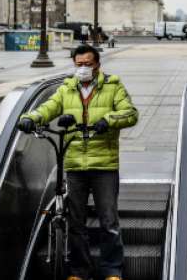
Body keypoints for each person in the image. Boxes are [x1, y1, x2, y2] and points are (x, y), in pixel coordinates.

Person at [17, 43, 138, 280]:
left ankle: (112, 270)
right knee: (76, 223)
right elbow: (47, 108)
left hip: (104, 164)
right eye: (79, 64)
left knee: (108, 221)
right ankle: (80, 271)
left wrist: (109, 120)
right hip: (73, 164)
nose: (83, 69)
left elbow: (131, 113)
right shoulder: (67, 89)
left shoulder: (113, 86)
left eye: (88, 64)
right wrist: (29, 118)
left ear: (97, 65)